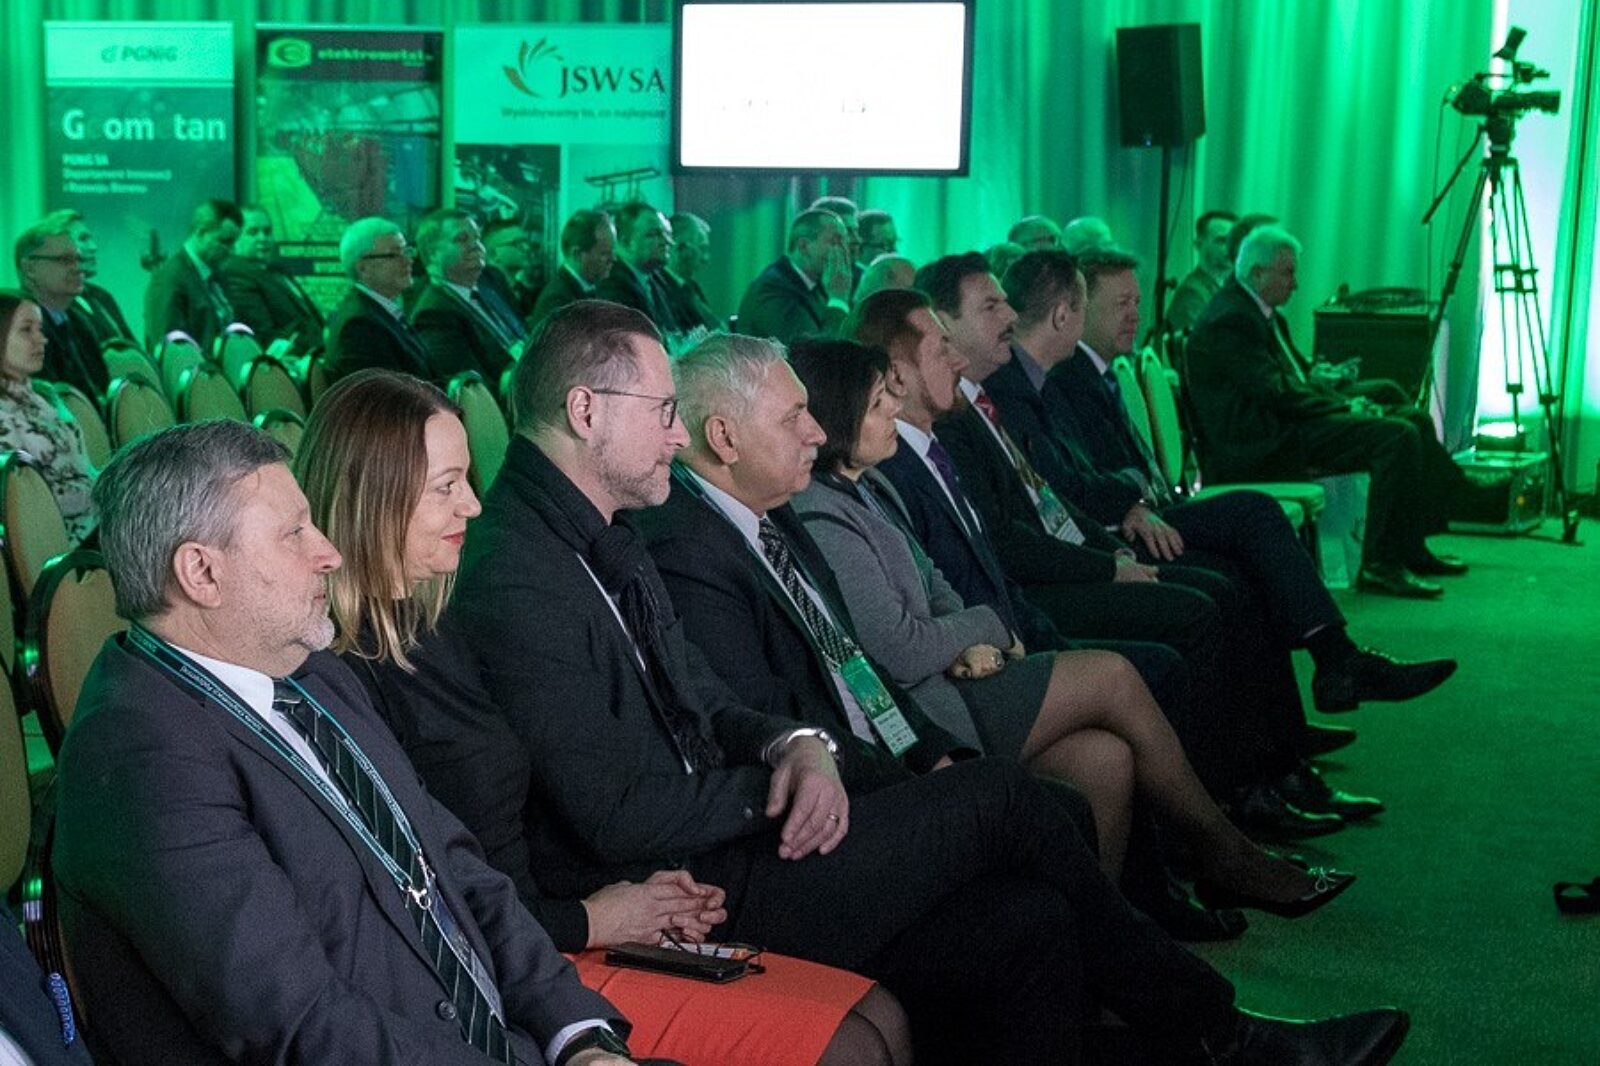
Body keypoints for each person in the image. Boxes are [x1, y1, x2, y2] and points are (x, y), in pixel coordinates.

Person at [445, 297, 1410, 1066]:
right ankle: (1222, 1036)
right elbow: (618, 814)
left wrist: (798, 747)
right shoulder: (522, 572)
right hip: (687, 885)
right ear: (586, 412)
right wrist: (786, 784)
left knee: (1027, 921)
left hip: (730, 837)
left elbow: (711, 700)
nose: (674, 436)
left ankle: (1178, 1030)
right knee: (1003, 799)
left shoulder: (599, 529)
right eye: (662, 413)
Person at [297, 369, 901, 1066]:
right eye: (447, 486)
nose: (472, 503)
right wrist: (594, 918)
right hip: (512, 969)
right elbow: (426, 894)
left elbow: (515, 830)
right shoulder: (343, 674)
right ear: (376, 497)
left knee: (880, 1013)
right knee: (853, 1046)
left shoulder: (432, 626)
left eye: (467, 479)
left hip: (556, 926)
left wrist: (630, 901)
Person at [53, 419, 636, 1065]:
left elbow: (457, 871)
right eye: (294, 533)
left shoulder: (314, 675)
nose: (329, 553)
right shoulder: (141, 757)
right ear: (201, 572)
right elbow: (302, 1025)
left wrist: (580, 1037)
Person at [776, 334, 1351, 903]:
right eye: (879, 403)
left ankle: (1102, 930)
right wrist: (989, 627)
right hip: (936, 707)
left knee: (1106, 760)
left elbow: (938, 585)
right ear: (840, 417)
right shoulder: (824, 514)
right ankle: (1226, 854)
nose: (895, 409)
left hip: (963, 674)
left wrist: (971, 633)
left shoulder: (872, 487)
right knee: (1114, 674)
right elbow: (902, 650)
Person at [1004, 249, 1456, 728]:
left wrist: (1134, 496)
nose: (1136, 314)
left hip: (1138, 511)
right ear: (1075, 311)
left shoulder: (1079, 373)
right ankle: (1325, 675)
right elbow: (1070, 487)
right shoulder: (1062, 378)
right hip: (1128, 521)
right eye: (1122, 304)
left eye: (1137, 302)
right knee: (1252, 520)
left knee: (1247, 557)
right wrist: (1134, 498)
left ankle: (1298, 716)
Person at [1186, 226, 1463, 598]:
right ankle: (1380, 563)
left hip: (1277, 422)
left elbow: (1291, 380)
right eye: (1288, 273)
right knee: (1397, 436)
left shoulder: (1255, 310)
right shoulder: (1231, 320)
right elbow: (1277, 392)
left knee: (1406, 413)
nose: (1296, 284)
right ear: (1257, 273)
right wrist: (1346, 406)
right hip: (1261, 442)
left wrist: (1344, 399)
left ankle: (1410, 547)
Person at [0, 291, 95, 542]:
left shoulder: (45, 394)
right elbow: (28, 504)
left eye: (40, 329)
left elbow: (83, 469)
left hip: (97, 521)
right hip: (62, 545)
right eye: (26, 330)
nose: (42, 339)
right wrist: (112, 490)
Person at [409, 208, 525, 383]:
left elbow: (523, 333)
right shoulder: (433, 314)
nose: (476, 245)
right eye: (462, 239)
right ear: (432, 255)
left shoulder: (491, 280)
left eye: (477, 237)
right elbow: (471, 387)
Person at [325, 216, 432, 383]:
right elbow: (386, 393)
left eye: (406, 251)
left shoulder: (380, 311)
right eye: (394, 254)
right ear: (363, 268)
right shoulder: (359, 325)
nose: (408, 260)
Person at [15, 220, 107, 399]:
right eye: (65, 260)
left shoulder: (80, 322)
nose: (78, 268)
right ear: (30, 268)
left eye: (78, 259)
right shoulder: (16, 328)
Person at [736, 210, 852, 344]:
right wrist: (838, 299)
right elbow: (816, 353)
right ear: (804, 246)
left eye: (845, 242)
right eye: (836, 241)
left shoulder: (819, 284)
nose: (845, 250)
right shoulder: (772, 291)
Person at [219, 205, 325, 351]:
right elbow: (263, 333)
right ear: (235, 238)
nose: (263, 238)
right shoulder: (235, 273)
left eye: (267, 231)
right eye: (253, 232)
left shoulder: (277, 269)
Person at [143, 198, 242, 352]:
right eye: (224, 241)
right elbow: (168, 350)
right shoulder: (169, 279)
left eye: (234, 242)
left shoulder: (218, 275)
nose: (232, 250)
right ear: (200, 232)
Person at [44, 209, 136, 346]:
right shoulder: (49, 303)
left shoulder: (102, 297)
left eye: (90, 239)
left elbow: (132, 346)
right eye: (83, 239)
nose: (94, 247)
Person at [595, 204, 680, 333]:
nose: (667, 241)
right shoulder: (610, 285)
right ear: (625, 241)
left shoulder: (658, 281)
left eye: (667, 234)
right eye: (654, 234)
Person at [532, 210, 617, 327]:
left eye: (612, 251)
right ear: (577, 254)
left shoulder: (593, 289)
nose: (613, 259)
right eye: (604, 253)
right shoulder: (557, 301)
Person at [1166, 209, 1238, 333]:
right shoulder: (1192, 294)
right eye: (1221, 241)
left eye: (1234, 241)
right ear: (1198, 244)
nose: (1229, 248)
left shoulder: (1230, 288)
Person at [662, 212, 721, 332]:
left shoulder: (692, 288)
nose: (705, 259)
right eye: (702, 248)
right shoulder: (658, 290)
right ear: (680, 247)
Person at [481, 218, 547, 320]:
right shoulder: (486, 293)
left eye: (526, 242)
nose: (527, 248)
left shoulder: (523, 292)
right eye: (518, 243)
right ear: (495, 253)